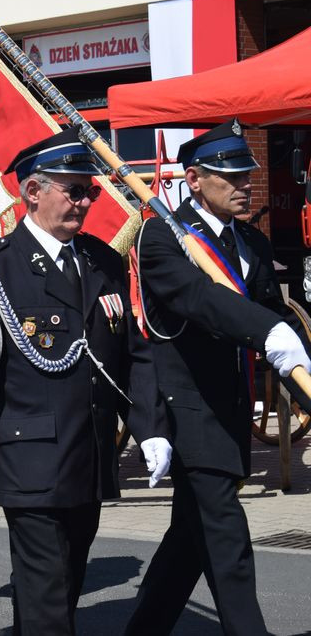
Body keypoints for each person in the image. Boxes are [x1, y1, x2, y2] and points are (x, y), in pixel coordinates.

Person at [0, 128, 171, 635]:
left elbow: (131, 357)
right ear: (33, 192)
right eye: (73, 190)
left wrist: (150, 426)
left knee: (64, 587)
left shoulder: (103, 262)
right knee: (47, 600)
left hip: (88, 460)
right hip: (32, 463)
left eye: (88, 190)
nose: (85, 201)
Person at [125, 120, 311, 635]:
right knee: (228, 539)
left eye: (246, 175)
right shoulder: (163, 235)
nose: (243, 185)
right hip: (187, 411)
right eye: (228, 177)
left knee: (190, 538)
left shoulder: (249, 239)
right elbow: (202, 301)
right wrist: (268, 329)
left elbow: (282, 322)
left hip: (229, 412)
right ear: (194, 179)